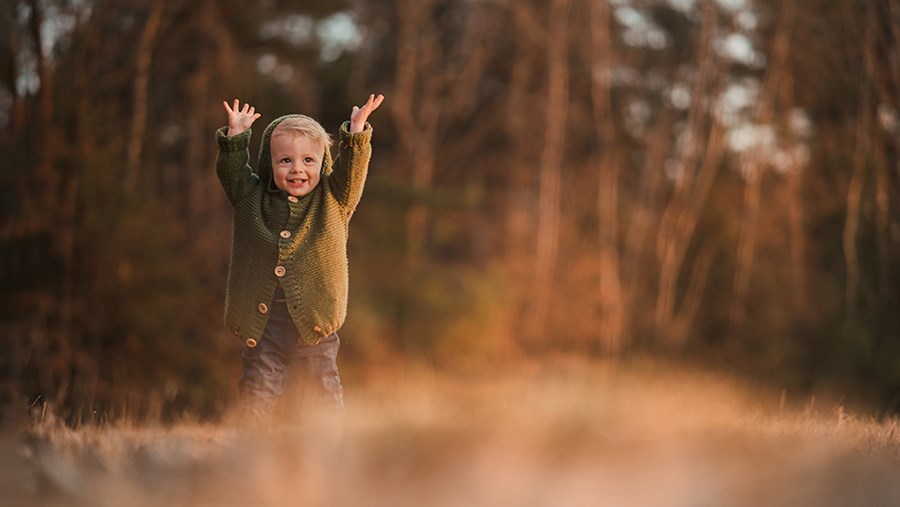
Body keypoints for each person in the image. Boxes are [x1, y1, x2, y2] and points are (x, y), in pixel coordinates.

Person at [215, 94, 384, 423]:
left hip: (314, 323)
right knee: (257, 389)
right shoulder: (251, 197)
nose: (297, 169)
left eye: (308, 160)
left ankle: (331, 449)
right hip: (263, 324)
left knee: (322, 392)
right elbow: (232, 173)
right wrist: (235, 138)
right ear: (270, 163)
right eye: (285, 161)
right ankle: (250, 452)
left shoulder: (334, 199)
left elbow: (353, 171)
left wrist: (357, 130)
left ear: (322, 163)